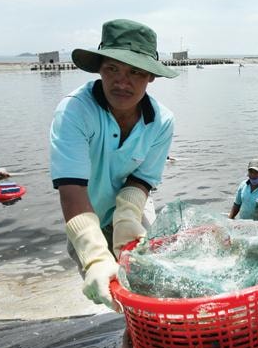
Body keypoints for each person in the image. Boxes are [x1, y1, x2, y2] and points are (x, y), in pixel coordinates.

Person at [49, 19, 178, 313]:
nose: (122, 82)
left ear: (151, 76)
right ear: (100, 70)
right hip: (84, 211)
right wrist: (94, 256)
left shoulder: (162, 122)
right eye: (112, 69)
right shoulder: (74, 111)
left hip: (135, 206)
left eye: (135, 72)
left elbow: (142, 179)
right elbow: (71, 189)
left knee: (150, 289)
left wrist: (127, 216)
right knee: (113, 292)